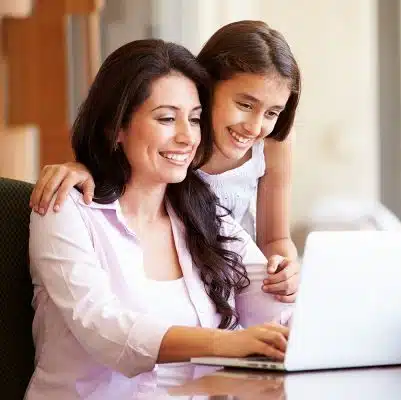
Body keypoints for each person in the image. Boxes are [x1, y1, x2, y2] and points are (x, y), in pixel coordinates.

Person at [26, 39, 293, 399]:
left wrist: (290, 285)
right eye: (167, 118)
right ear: (115, 127)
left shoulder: (205, 214)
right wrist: (226, 342)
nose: (187, 137)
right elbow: (105, 329)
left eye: (195, 119)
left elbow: (278, 316)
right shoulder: (66, 210)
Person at [29, 20, 301, 302]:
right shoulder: (176, 146)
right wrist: (83, 168)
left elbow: (274, 239)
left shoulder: (270, 143)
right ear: (205, 86)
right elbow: (124, 164)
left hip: (240, 277)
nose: (255, 127)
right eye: (245, 105)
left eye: (272, 113)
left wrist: (285, 269)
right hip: (183, 279)